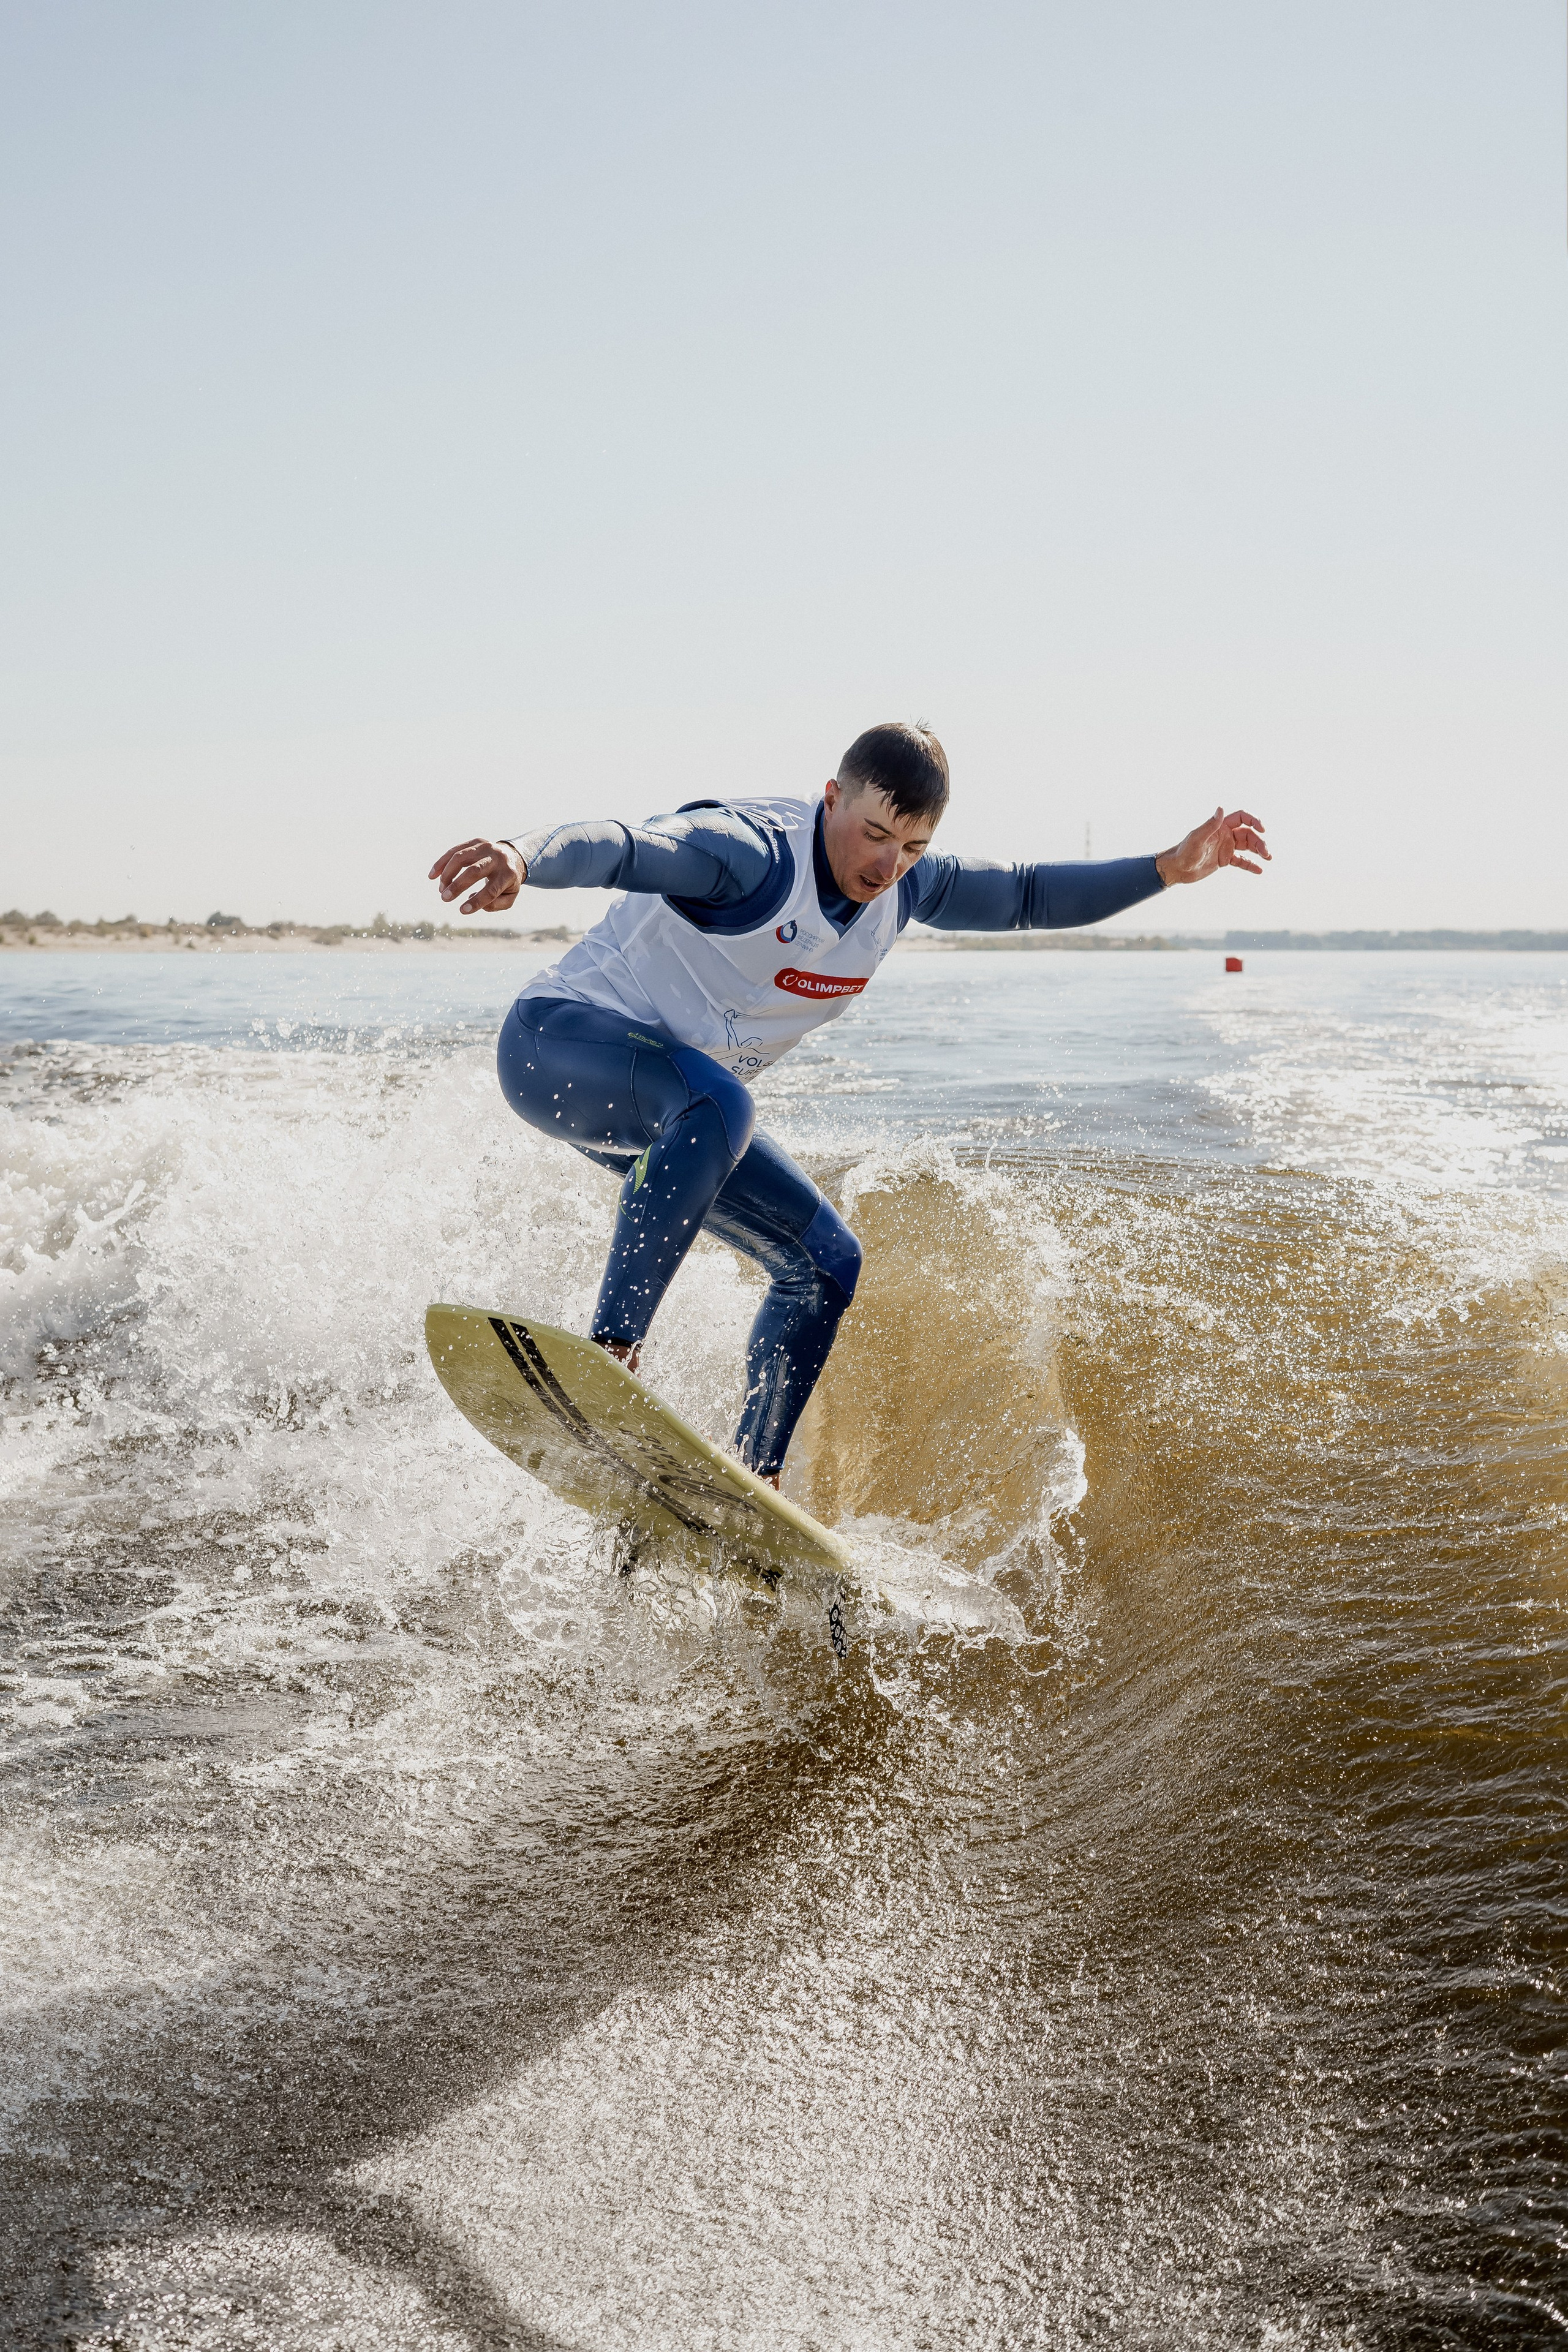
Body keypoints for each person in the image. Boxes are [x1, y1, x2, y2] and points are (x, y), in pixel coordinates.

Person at [429, 723, 1267, 1485]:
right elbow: (626, 845)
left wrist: (1168, 868)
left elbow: (1025, 894)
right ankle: (610, 1358)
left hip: (673, 1116)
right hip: (556, 1051)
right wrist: (523, 857)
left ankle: (748, 1484)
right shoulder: (749, 854)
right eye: (872, 834)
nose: (887, 864)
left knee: (825, 1264)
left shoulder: (905, 887)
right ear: (831, 798)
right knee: (720, 1104)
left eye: (911, 846)